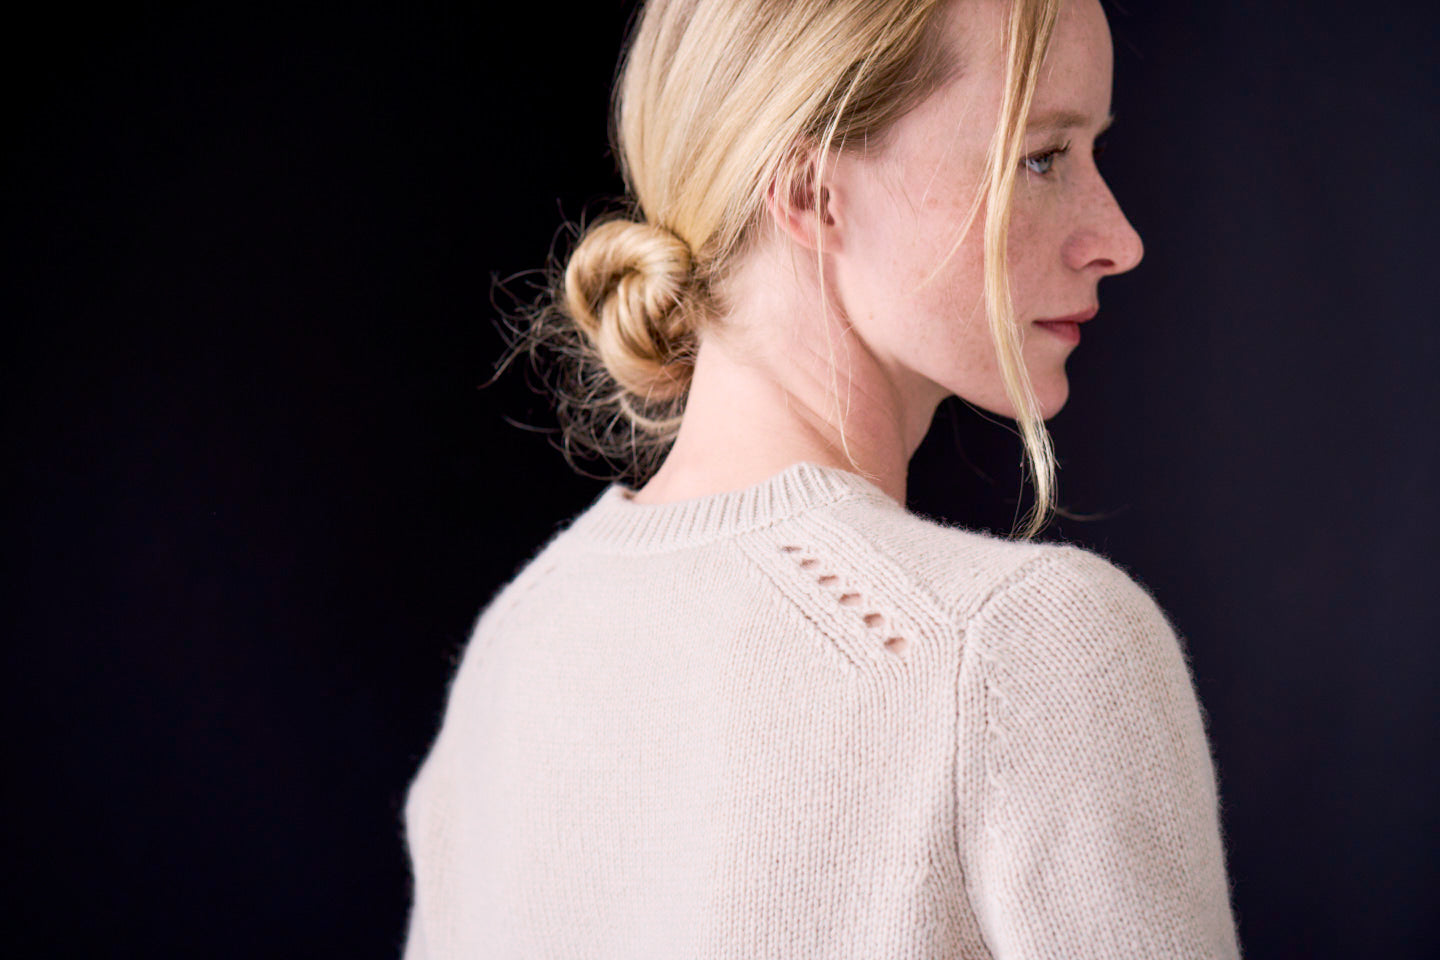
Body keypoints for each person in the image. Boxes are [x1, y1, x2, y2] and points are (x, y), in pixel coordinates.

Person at [401, 0, 1241, 956]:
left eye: (1091, 151)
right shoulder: (1018, 652)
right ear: (810, 192)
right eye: (1041, 157)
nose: (1119, 238)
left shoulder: (516, 649)